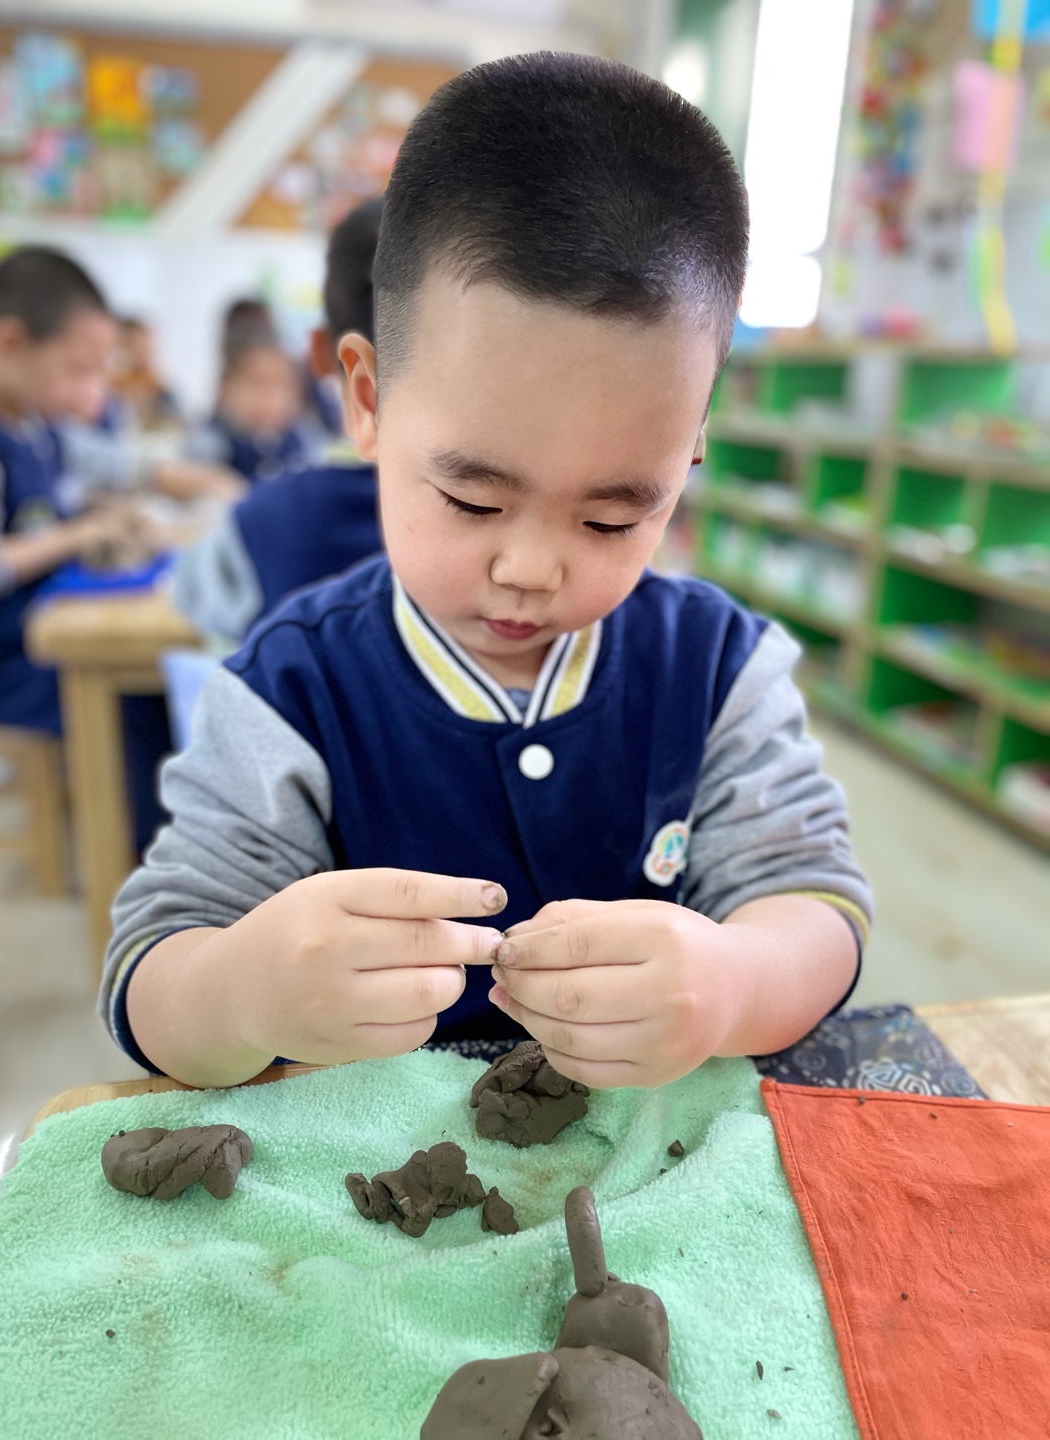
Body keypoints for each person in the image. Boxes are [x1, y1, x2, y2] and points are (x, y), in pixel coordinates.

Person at [102, 55, 871, 1091]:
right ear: (367, 402)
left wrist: (736, 981)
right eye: (473, 501)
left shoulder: (718, 671)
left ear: (690, 447)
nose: (529, 568)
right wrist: (242, 992)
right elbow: (152, 969)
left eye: (612, 517)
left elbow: (815, 902)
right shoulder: (291, 692)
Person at [171, 198, 383, 644]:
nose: (269, 400)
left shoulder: (261, 520)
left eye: (278, 385)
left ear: (317, 354)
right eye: (255, 384)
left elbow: (189, 596)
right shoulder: (510, 516)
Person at [0, 246, 149, 734]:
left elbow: (46, 507)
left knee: (147, 674)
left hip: (43, 638)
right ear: (9, 343)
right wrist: (77, 536)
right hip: (0, 670)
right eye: (77, 369)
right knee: (136, 704)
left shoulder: (35, 429)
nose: (91, 388)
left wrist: (105, 513)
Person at [185, 336, 312, 485]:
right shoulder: (212, 442)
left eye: (282, 384)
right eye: (257, 382)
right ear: (227, 387)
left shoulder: (305, 441)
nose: (269, 395)